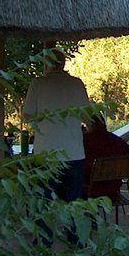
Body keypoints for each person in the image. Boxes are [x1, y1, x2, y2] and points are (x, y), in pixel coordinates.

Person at [22, 50, 89, 242]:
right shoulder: (76, 84)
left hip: (45, 152)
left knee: (43, 201)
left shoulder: (38, 84)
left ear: (46, 63)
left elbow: (27, 116)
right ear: (64, 63)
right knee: (73, 201)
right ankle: (75, 240)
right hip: (74, 152)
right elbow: (86, 115)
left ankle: (43, 241)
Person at [82, 111, 129, 200]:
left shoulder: (84, 141)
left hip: (91, 190)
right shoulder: (115, 140)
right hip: (113, 189)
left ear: (89, 125)